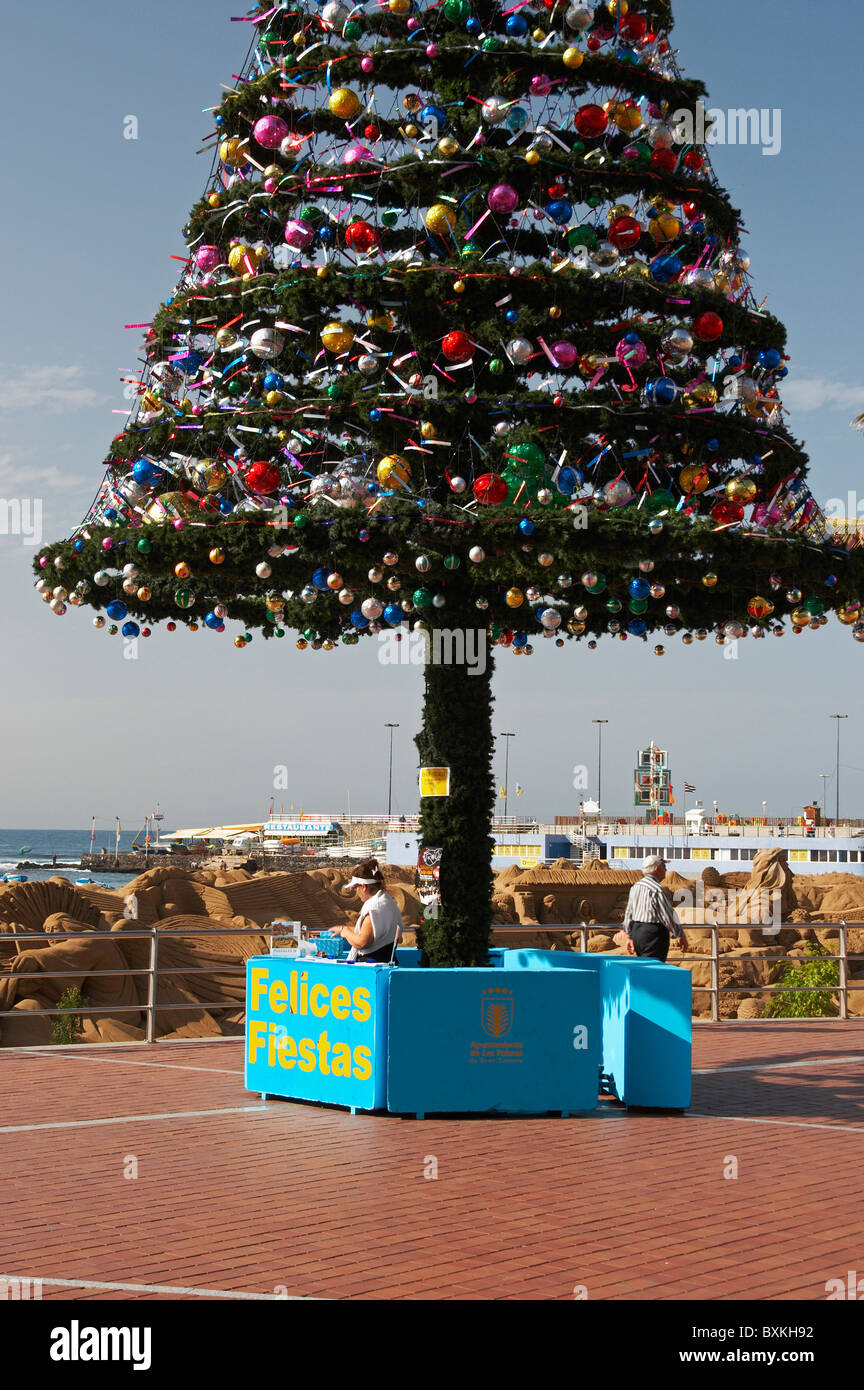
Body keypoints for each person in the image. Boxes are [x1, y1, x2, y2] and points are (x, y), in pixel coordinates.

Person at [333, 858, 403, 964]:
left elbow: (363, 942)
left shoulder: (374, 906)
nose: (355, 891)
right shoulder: (387, 901)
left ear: (363, 886)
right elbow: (375, 932)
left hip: (372, 965)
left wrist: (346, 932)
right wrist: (343, 929)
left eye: (355, 887)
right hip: (386, 960)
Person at [622, 855, 688, 962]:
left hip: (637, 932)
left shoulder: (636, 886)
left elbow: (629, 913)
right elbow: (667, 915)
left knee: (643, 967)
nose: (666, 870)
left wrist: (629, 936)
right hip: (653, 934)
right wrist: (680, 934)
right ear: (657, 869)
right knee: (653, 969)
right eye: (664, 866)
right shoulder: (656, 889)